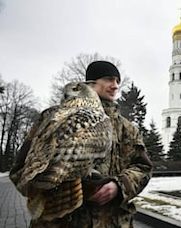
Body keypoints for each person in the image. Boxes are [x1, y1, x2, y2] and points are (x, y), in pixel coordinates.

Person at [10, 60, 153, 227]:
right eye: (108, 79)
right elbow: (21, 171)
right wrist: (54, 187)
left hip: (110, 221)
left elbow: (142, 167)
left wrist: (119, 186)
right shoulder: (53, 117)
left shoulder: (126, 128)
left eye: (117, 81)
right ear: (91, 83)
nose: (115, 86)